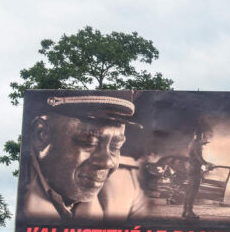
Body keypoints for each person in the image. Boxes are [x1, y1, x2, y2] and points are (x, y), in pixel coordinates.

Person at [19, 92, 147, 220]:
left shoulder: (127, 185)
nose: (107, 162)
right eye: (89, 143)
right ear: (41, 135)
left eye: (115, 147)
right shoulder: (14, 192)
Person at [181, 121, 212, 219]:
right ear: (200, 135)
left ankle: (185, 211)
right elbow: (198, 157)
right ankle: (189, 212)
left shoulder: (192, 143)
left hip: (190, 168)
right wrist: (206, 164)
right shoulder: (197, 144)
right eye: (202, 136)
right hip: (195, 169)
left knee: (189, 190)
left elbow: (195, 154)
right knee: (193, 191)